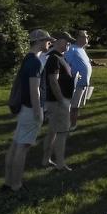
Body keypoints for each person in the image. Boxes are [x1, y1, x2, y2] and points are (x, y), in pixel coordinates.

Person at [3, 29, 52, 194]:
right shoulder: (36, 62)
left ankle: (8, 182)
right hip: (31, 109)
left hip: (24, 108)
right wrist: (39, 112)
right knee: (22, 147)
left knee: (16, 144)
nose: (49, 43)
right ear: (39, 41)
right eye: (47, 40)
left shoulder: (28, 59)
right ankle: (16, 185)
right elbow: (34, 90)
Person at [41, 32, 76, 171]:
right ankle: (60, 164)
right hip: (57, 102)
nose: (69, 43)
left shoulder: (60, 57)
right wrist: (62, 100)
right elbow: (53, 81)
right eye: (67, 41)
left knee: (53, 131)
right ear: (58, 41)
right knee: (62, 132)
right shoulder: (53, 58)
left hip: (57, 101)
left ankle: (45, 160)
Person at [65, 30, 93, 129]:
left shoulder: (81, 49)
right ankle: (70, 125)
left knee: (76, 106)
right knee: (73, 106)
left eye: (87, 36)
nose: (87, 38)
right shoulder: (72, 49)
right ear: (78, 38)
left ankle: (72, 124)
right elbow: (65, 64)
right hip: (75, 83)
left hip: (83, 83)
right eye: (85, 36)